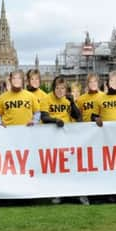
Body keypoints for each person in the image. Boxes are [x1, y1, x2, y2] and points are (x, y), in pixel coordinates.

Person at [40, 76, 85, 205]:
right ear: (53, 88)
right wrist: (55, 120)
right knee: (56, 167)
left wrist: (72, 102)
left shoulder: (67, 101)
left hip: (67, 137)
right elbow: (44, 117)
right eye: (57, 88)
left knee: (71, 166)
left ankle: (76, 194)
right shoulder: (46, 99)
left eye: (63, 88)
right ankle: (57, 194)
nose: (60, 91)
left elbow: (78, 117)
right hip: (52, 137)